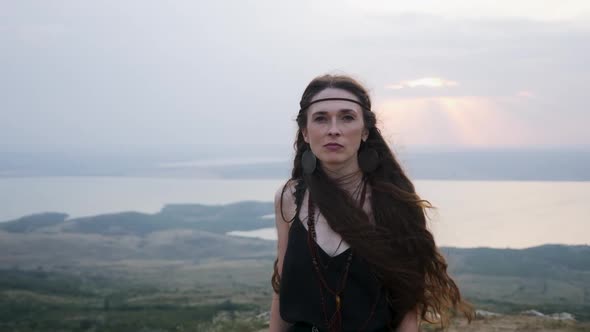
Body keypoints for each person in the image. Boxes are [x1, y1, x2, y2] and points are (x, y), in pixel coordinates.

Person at [269, 74, 473, 332]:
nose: (334, 129)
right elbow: (283, 286)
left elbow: (409, 300)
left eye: (347, 117)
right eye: (321, 118)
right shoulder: (289, 198)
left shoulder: (394, 201)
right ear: (306, 133)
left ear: (365, 131)